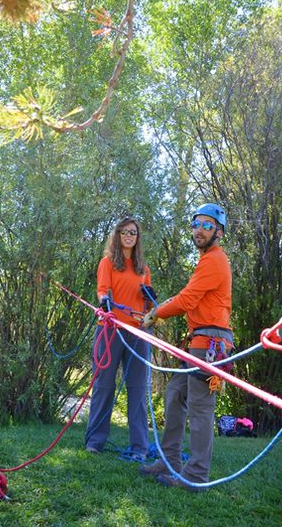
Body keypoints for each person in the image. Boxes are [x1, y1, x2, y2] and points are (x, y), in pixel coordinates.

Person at [141, 203, 232, 489]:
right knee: (174, 394)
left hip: (210, 345)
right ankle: (170, 461)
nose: (199, 230)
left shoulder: (215, 260)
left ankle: (196, 475)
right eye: (196, 224)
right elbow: (187, 296)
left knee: (201, 406)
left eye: (207, 226)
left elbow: (188, 299)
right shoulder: (207, 261)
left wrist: (156, 313)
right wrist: (162, 308)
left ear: (218, 232)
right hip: (199, 341)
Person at [85, 216, 154, 460]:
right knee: (104, 385)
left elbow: (148, 307)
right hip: (110, 329)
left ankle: (139, 448)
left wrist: (150, 299)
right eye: (124, 231)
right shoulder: (107, 263)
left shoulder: (143, 269)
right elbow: (102, 289)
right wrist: (104, 301)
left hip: (137, 333)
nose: (128, 235)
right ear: (117, 235)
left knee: (137, 389)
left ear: (137, 238)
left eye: (133, 232)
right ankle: (95, 441)